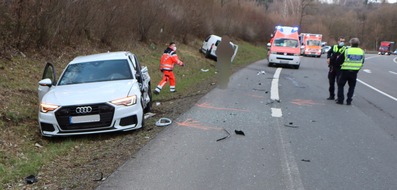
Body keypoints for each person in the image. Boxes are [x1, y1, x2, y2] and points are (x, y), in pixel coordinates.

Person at [335, 37, 364, 105]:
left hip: (345, 71)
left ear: (350, 44)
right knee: (352, 87)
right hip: (354, 72)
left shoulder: (347, 51)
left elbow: (339, 60)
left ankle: (340, 100)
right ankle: (349, 100)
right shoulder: (361, 51)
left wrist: (339, 66)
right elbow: (362, 61)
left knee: (341, 85)